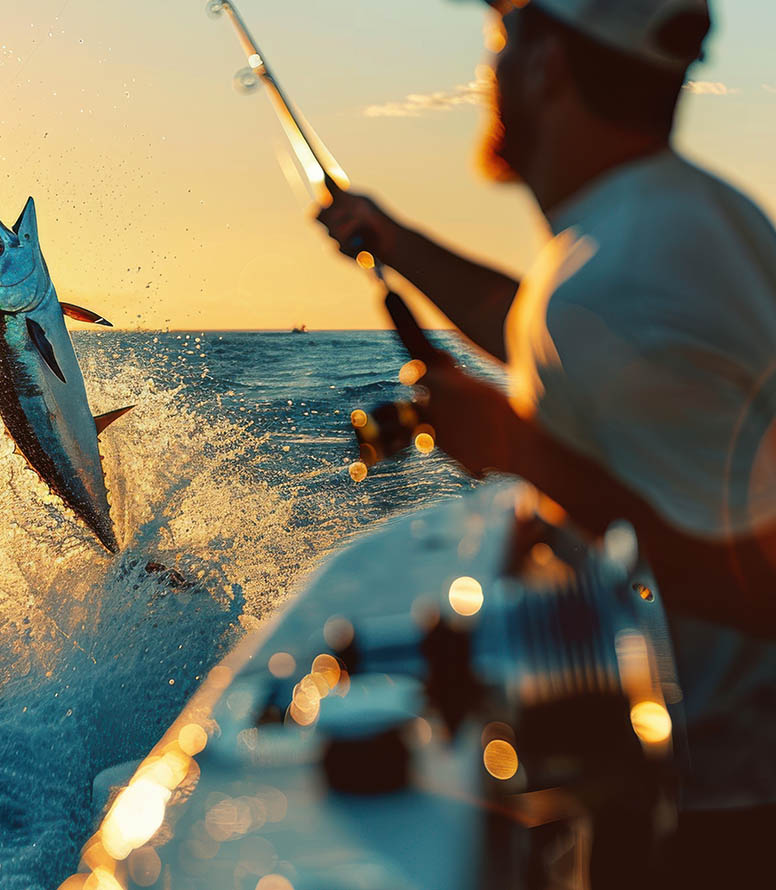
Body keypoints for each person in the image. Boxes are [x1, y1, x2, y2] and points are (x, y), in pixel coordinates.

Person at [317, 0, 776, 884]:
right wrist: (397, 241)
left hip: (725, 822)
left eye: (500, 38)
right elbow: (548, 330)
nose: (487, 69)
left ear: (548, 65)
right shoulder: (670, 227)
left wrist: (523, 452)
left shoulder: (628, 270)